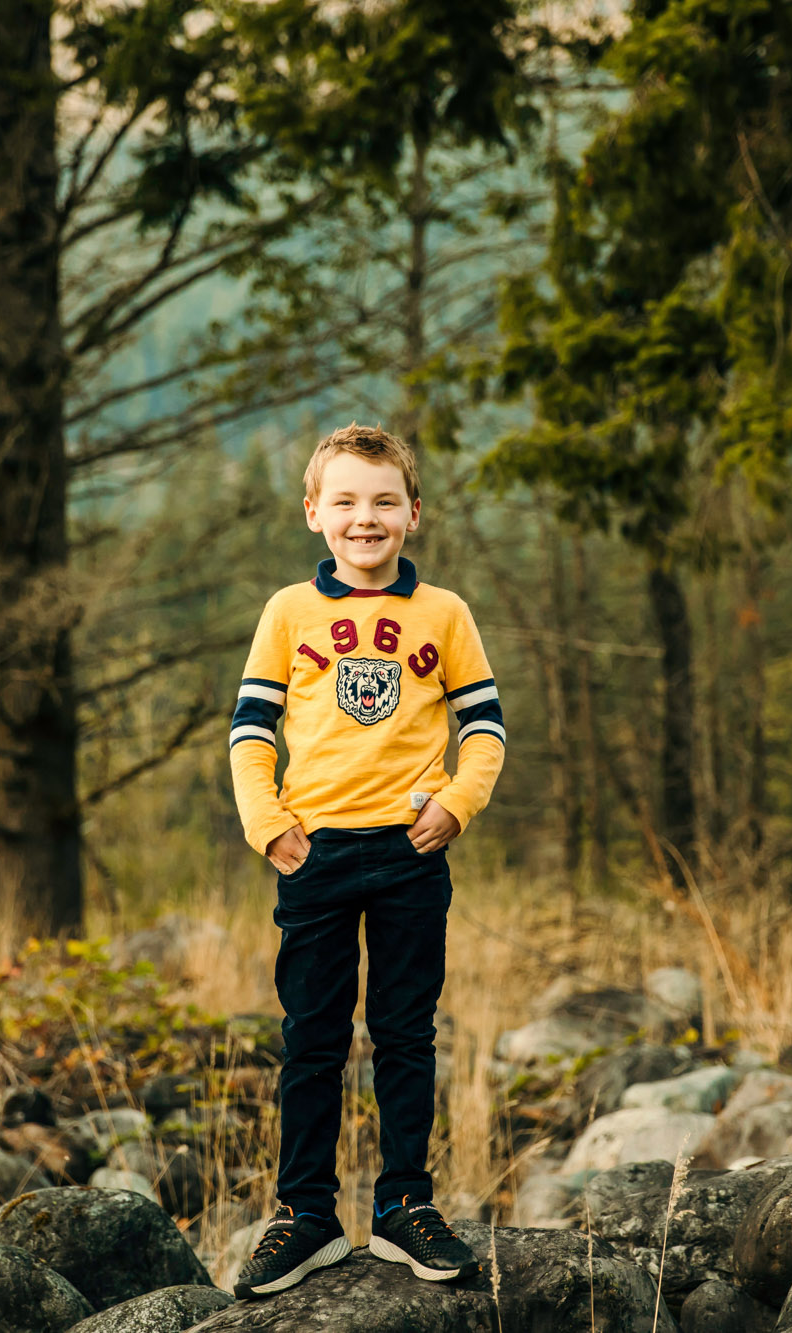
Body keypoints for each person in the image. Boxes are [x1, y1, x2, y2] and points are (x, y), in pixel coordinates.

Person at [227, 423, 506, 1299]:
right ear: (314, 512)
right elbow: (250, 732)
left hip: (409, 851)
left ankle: (402, 1207)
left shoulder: (444, 614)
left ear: (413, 514)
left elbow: (486, 727)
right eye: (345, 500)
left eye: (384, 501)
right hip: (313, 852)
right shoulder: (288, 613)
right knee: (311, 1036)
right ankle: (305, 1213)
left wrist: (457, 803)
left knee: (404, 1033)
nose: (365, 517)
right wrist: (267, 825)